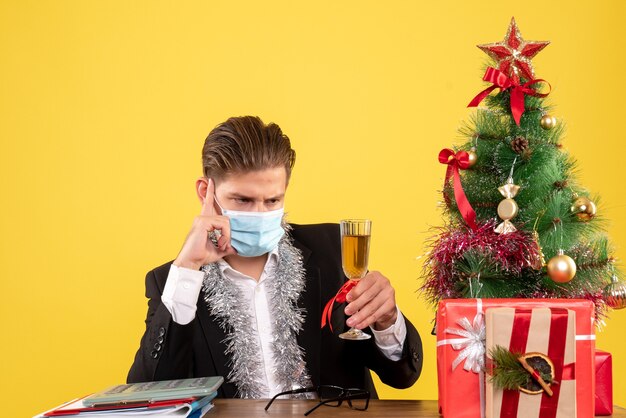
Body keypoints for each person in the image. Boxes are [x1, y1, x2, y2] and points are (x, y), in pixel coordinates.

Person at [127, 116, 423, 398]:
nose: (260, 214)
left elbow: (402, 376)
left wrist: (386, 320)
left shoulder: (333, 252)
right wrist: (188, 267)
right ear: (206, 192)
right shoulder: (172, 280)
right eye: (242, 200)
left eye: (273, 200)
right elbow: (151, 394)